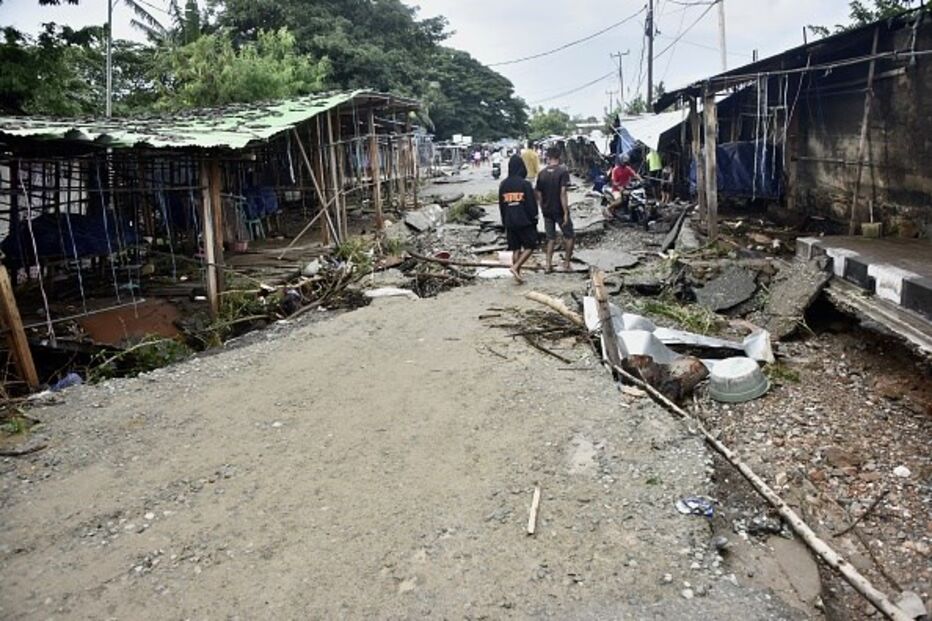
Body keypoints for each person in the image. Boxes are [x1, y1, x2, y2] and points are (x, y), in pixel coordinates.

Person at [498, 155, 539, 283]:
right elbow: (531, 204)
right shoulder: (525, 184)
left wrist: (504, 221)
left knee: (515, 248)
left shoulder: (503, 185)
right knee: (531, 245)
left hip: (509, 221)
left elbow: (501, 205)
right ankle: (515, 267)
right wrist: (535, 218)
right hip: (524, 221)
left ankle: (517, 274)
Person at [535, 146, 574, 272]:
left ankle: (547, 265)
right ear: (559, 157)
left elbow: (538, 193)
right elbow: (563, 192)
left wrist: (542, 207)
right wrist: (566, 212)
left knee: (550, 238)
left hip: (547, 210)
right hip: (559, 209)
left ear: (548, 157)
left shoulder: (542, 173)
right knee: (569, 236)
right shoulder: (563, 172)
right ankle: (567, 263)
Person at [605, 154, 642, 219]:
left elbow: (635, 175)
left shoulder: (627, 168)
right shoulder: (615, 170)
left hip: (627, 188)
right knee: (619, 200)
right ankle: (608, 208)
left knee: (635, 197)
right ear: (621, 161)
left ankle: (629, 211)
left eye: (626, 162)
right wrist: (619, 187)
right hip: (616, 189)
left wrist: (642, 180)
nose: (625, 163)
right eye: (624, 162)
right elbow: (613, 182)